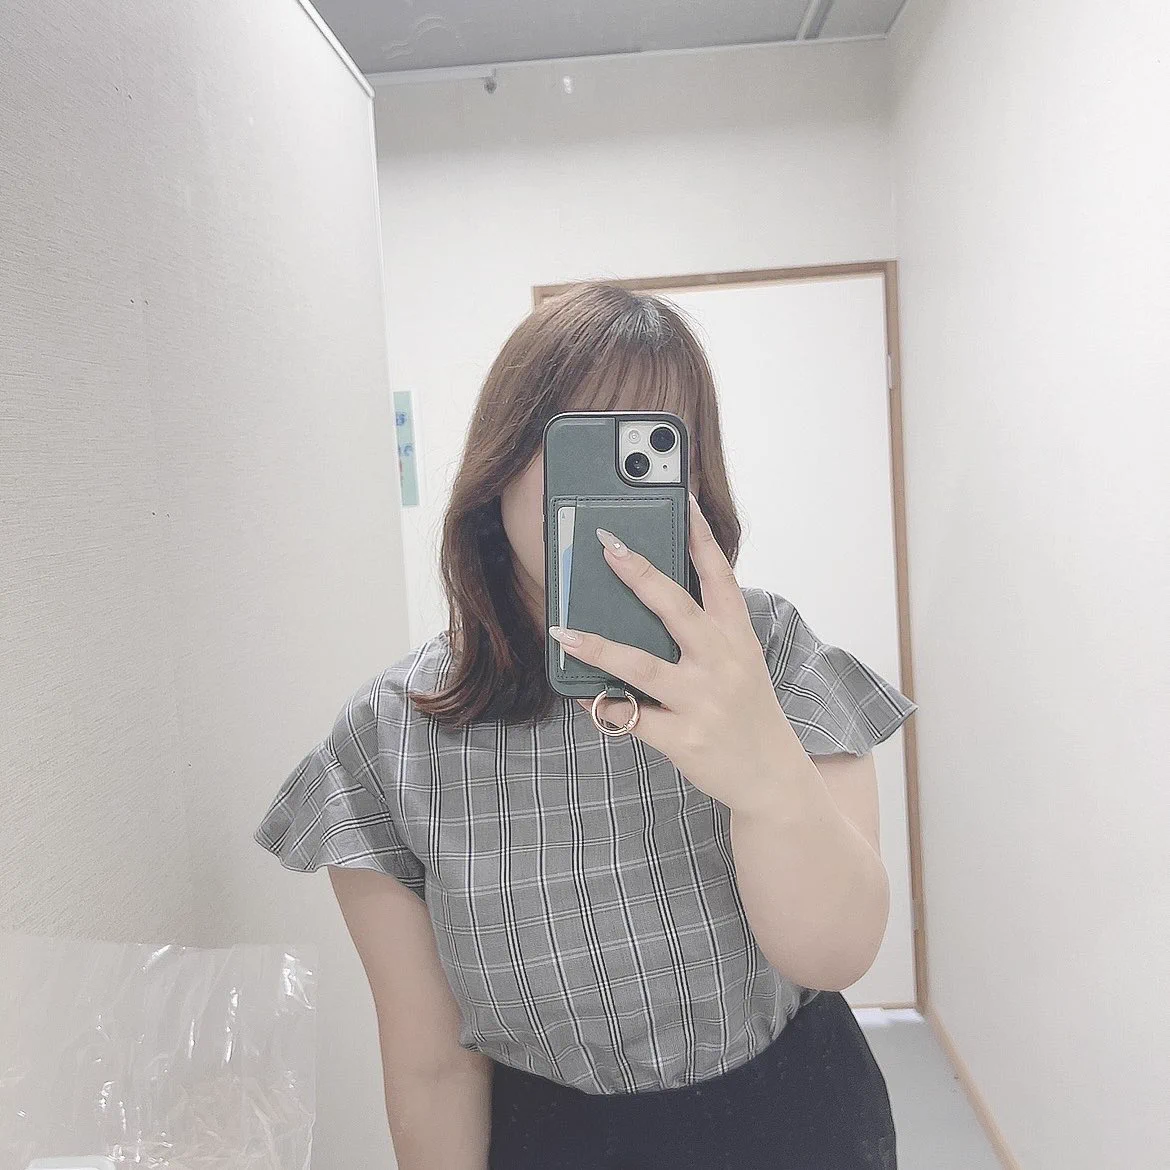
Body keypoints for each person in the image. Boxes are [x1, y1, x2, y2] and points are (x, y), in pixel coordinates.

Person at [254, 282, 917, 1170]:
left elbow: (835, 954)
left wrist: (764, 774)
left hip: (799, 1120)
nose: (608, 490)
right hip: (553, 1142)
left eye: (648, 447)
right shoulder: (391, 738)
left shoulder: (771, 653)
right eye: (578, 442)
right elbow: (430, 1069)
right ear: (500, 464)